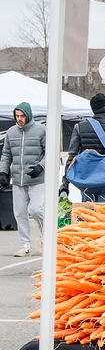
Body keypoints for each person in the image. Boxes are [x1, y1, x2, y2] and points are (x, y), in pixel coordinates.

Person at [0, 102, 46, 256]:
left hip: (37, 179)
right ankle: (26, 245)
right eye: (17, 116)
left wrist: (41, 166)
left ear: (28, 115)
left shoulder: (41, 130)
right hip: (18, 180)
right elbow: (6, 154)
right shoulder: (11, 132)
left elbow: (50, 151)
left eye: (22, 116)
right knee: (19, 213)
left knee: (36, 209)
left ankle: (47, 238)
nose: (19, 119)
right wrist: (3, 172)